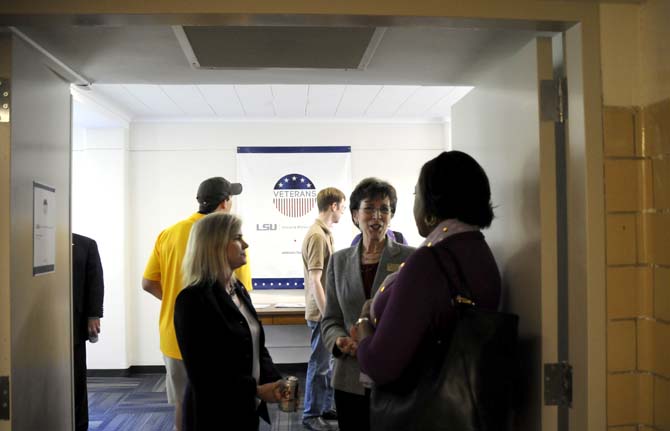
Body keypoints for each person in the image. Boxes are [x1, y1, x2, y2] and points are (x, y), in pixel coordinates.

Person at [355, 151, 501, 430]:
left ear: (433, 206)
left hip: (422, 412)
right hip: (467, 407)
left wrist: (363, 325)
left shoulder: (429, 262)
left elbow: (380, 365)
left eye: (415, 195)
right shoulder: (478, 251)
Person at [141, 176, 250, 431]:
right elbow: (240, 293)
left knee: (183, 405)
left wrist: (179, 307)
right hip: (219, 337)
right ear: (224, 203)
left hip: (174, 336)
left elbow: (148, 283)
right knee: (222, 406)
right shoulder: (228, 236)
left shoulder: (168, 234)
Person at [174, 212, 284, 431]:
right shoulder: (192, 300)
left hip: (245, 408)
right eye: (237, 238)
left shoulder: (238, 290)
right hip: (213, 415)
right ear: (215, 245)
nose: (245, 244)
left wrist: (276, 380)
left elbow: (256, 346)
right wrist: (255, 390)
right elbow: (205, 373)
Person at [320, 178, 415, 431]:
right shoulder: (338, 262)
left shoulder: (410, 258)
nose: (377, 216)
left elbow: (415, 319)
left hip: (393, 377)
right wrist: (339, 341)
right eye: (369, 208)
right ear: (354, 215)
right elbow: (330, 319)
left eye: (384, 209)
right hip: (349, 377)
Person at [301, 187, 346, 431]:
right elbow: (315, 279)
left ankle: (324, 406)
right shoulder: (317, 236)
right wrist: (328, 314)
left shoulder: (324, 232)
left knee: (327, 365)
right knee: (319, 365)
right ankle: (310, 415)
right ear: (333, 206)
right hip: (320, 312)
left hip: (323, 310)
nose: (343, 211)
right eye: (342, 206)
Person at [72, 233, 105, 431]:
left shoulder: (85, 244)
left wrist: (94, 315)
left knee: (76, 379)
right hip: (42, 324)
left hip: (74, 326)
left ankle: (80, 425)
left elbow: (95, 282)